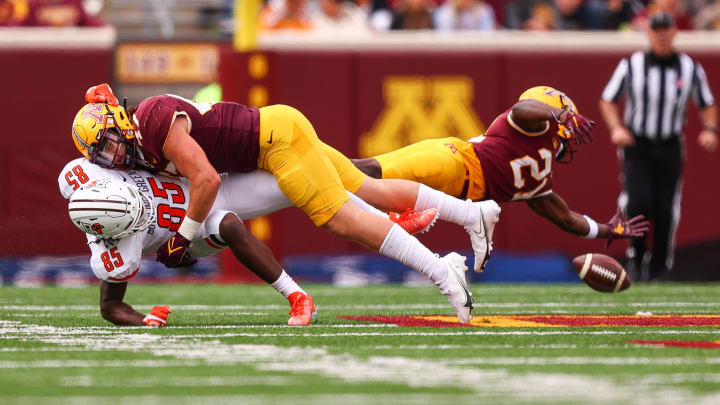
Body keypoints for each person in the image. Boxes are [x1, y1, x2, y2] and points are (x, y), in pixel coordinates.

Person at [71, 85, 502, 323]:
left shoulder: (154, 123)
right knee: (366, 187)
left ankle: (444, 272)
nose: (113, 157)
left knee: (340, 218)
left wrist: (182, 238)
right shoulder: (142, 141)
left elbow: (203, 180)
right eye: (102, 156)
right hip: (278, 128)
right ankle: (473, 214)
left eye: (109, 145)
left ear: (118, 121)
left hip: (275, 144)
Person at [353, 86, 650, 245]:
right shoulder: (532, 127)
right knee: (368, 173)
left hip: (450, 189)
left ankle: (315, 165)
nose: (570, 137)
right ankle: (311, 156)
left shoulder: (539, 180)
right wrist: (557, 115)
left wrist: (605, 230)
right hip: (453, 161)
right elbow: (522, 109)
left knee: (368, 189)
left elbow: (566, 219)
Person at [599, 12, 718, 281]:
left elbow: (707, 102)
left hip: (669, 145)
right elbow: (608, 99)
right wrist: (616, 127)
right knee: (639, 203)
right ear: (649, 33)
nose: (661, 35)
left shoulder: (689, 67)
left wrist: (710, 130)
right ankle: (636, 258)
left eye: (666, 29)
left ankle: (660, 267)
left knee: (665, 209)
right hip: (637, 145)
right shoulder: (632, 64)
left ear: (674, 32)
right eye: (656, 30)